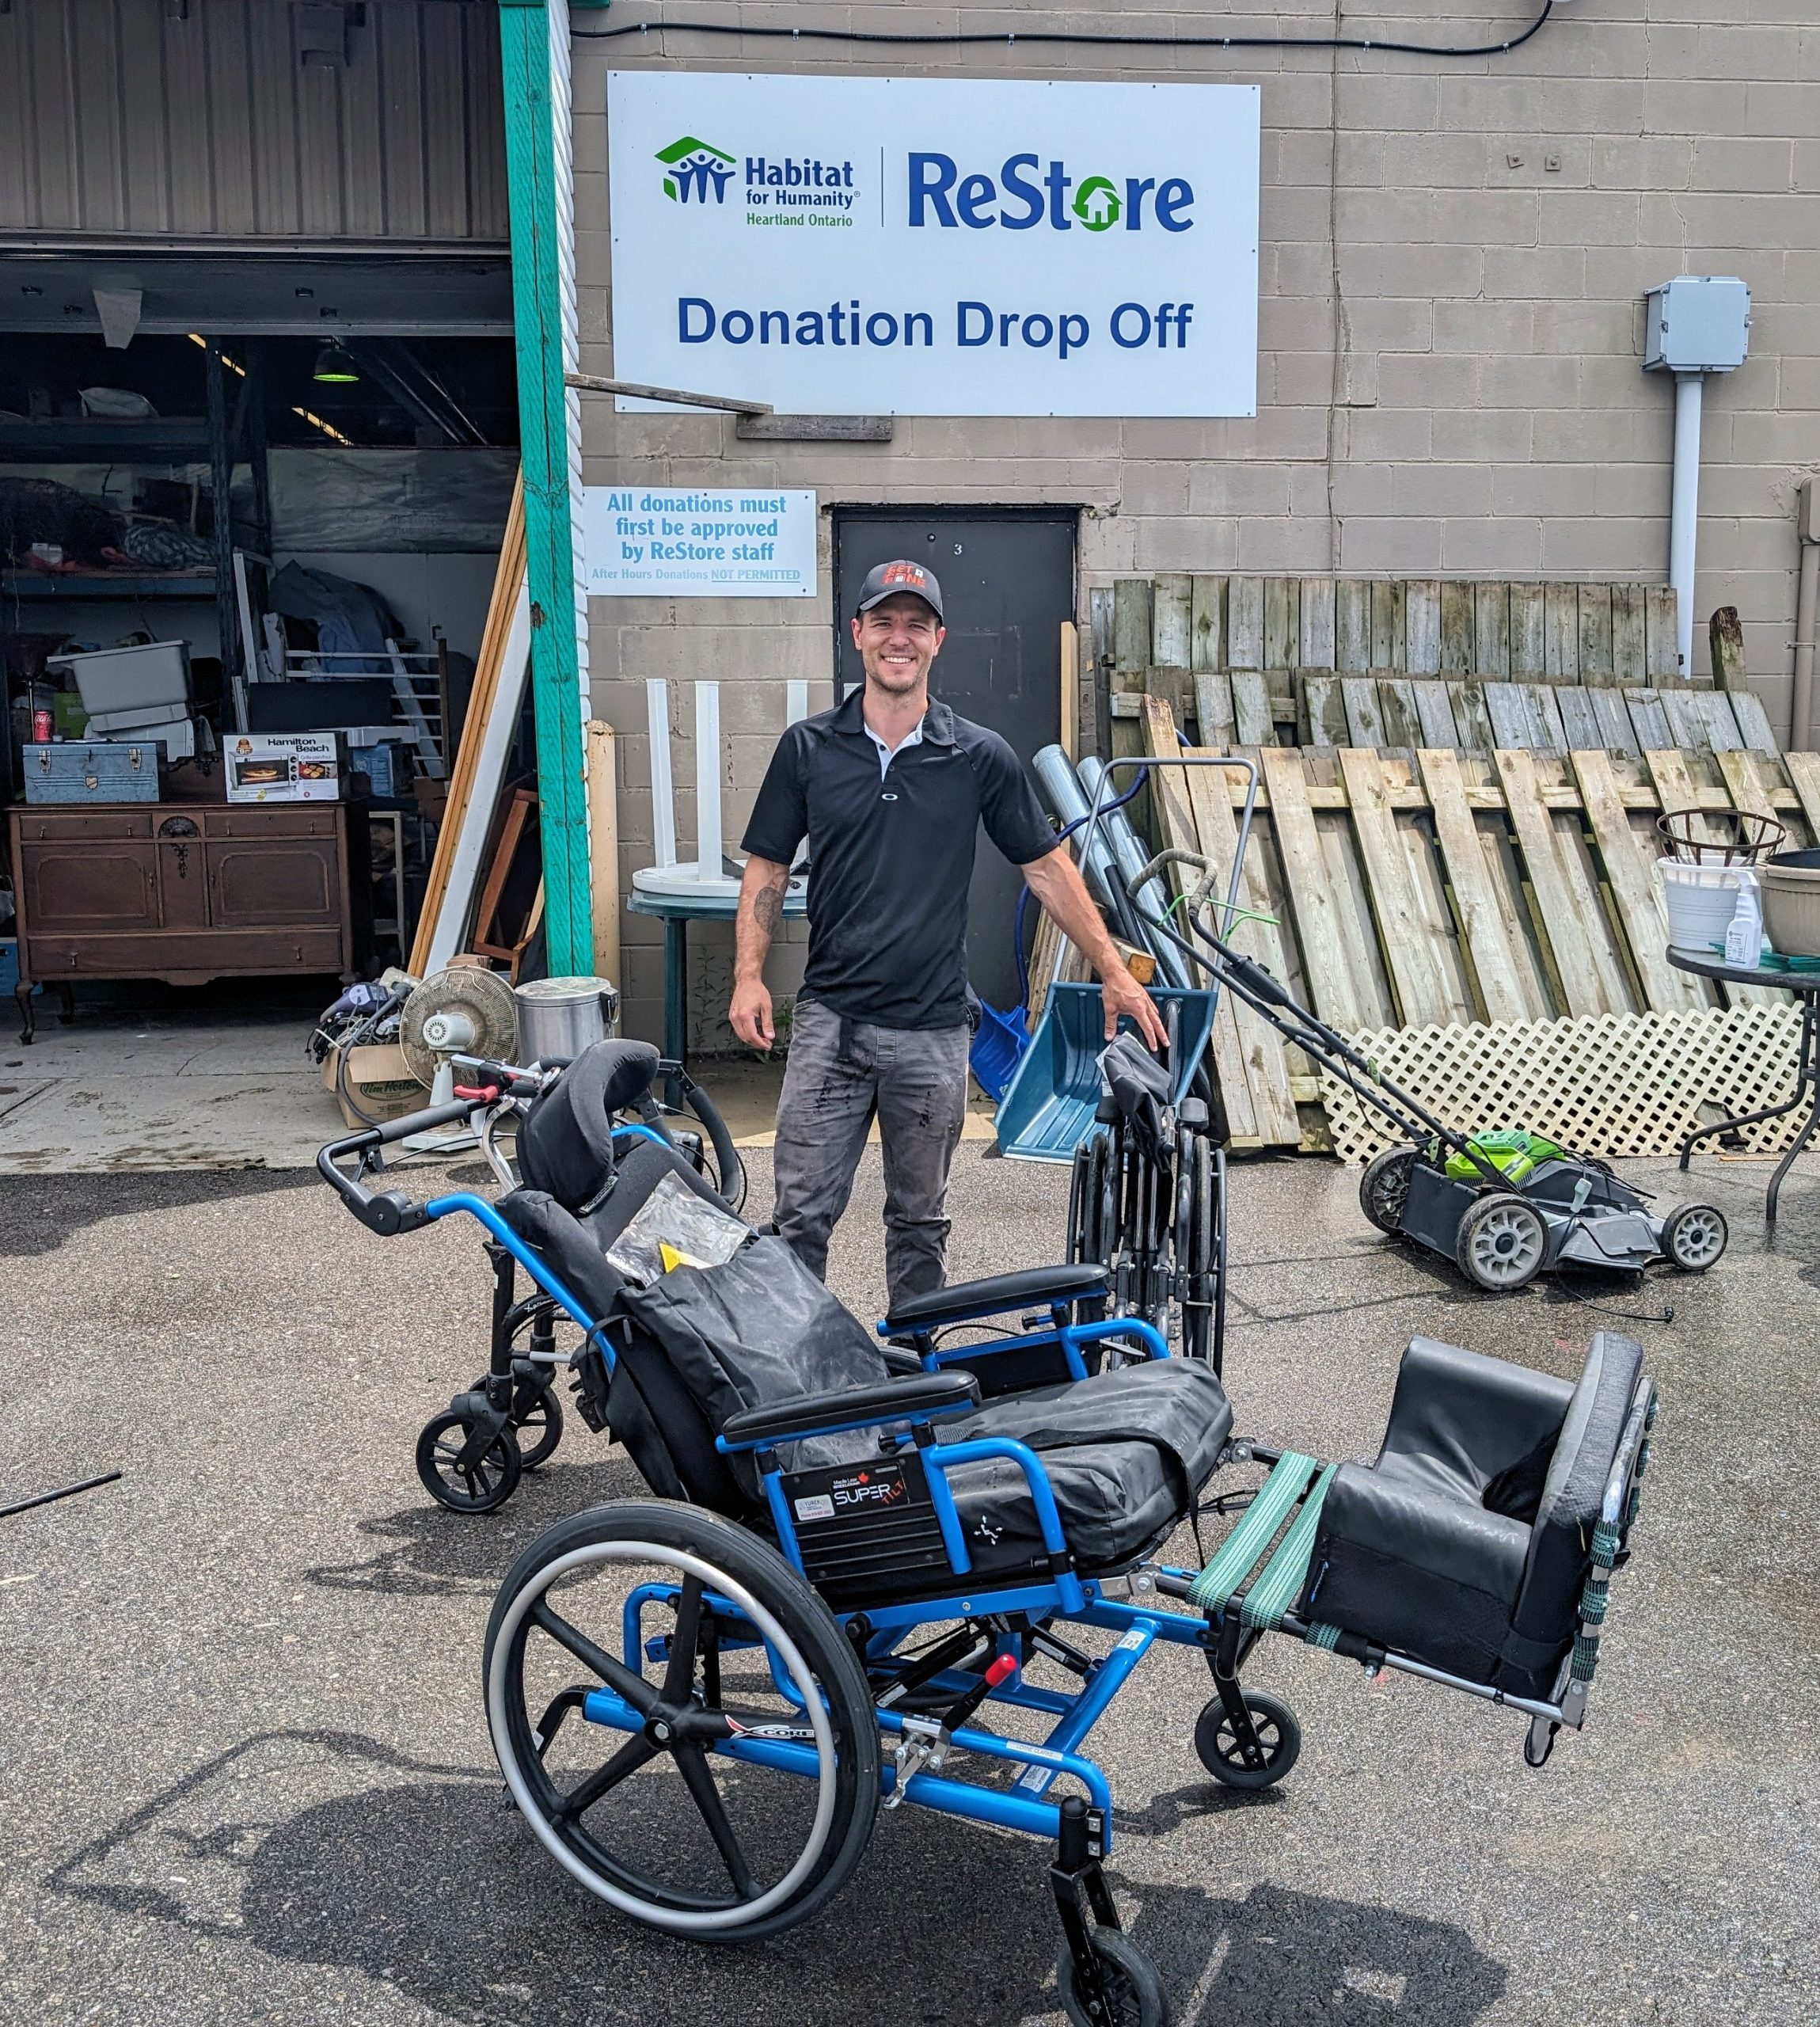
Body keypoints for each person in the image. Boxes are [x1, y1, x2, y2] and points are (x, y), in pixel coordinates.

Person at [728, 558, 1167, 1314]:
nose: (899, 639)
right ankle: (794, 1381)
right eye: (885, 622)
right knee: (799, 1221)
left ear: (938, 640)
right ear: (857, 633)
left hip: (931, 1034)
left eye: (916, 625)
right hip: (830, 1024)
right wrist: (746, 975)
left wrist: (1113, 968)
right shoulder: (808, 749)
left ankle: (913, 1371)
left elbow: (1046, 868)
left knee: (920, 1223)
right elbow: (768, 866)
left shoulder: (977, 754)